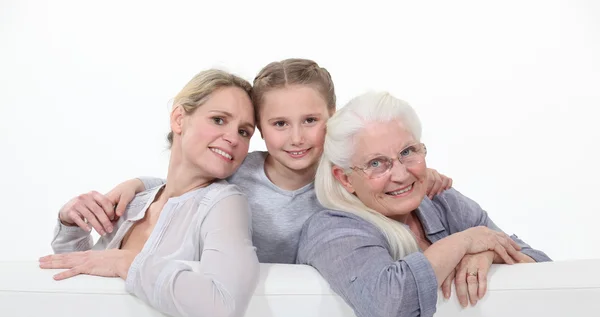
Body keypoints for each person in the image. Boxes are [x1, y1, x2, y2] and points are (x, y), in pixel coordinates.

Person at [85, 59, 453, 264]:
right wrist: (138, 184)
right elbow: (187, 184)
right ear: (259, 128)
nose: (296, 138)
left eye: (310, 121)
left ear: (332, 116)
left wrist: (416, 176)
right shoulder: (238, 174)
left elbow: (390, 180)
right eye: (279, 124)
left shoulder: (348, 178)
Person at [296, 91, 551, 317]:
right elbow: (390, 306)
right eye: (376, 163)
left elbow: (540, 265)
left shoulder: (440, 200)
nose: (401, 174)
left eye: (407, 152)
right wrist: (464, 242)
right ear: (345, 179)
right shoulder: (331, 229)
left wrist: (488, 252)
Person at [39, 69, 261, 317]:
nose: (234, 138)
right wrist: (71, 222)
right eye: (218, 119)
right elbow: (76, 274)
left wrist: (125, 262)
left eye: (245, 132)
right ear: (179, 119)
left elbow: (222, 309)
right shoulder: (134, 202)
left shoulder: (224, 204)